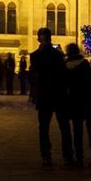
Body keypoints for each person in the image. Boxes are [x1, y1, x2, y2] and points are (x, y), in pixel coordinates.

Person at [29, 28, 74, 167]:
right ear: (50, 38)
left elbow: (34, 77)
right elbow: (65, 76)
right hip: (59, 95)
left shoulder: (35, 56)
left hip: (44, 95)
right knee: (64, 127)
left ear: (38, 39)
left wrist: (33, 94)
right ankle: (67, 155)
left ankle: (46, 155)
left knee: (44, 128)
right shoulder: (58, 55)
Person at [65, 43, 91, 168]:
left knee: (77, 131)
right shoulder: (85, 65)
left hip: (75, 103)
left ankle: (79, 158)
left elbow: (65, 87)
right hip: (89, 101)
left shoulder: (66, 67)